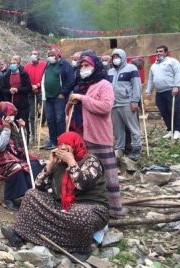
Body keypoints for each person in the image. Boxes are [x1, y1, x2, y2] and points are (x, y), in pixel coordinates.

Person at [0, 131, 108, 258]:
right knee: (31, 195)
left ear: (76, 145)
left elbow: (82, 185)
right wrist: (50, 165)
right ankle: (20, 235)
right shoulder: (58, 165)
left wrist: (71, 162)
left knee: (80, 214)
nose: (62, 148)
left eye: (67, 144)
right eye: (60, 144)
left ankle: (81, 249)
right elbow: (39, 186)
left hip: (91, 208)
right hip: (63, 207)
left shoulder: (90, 160)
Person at [68, 53, 126, 217]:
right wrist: (71, 103)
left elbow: (105, 107)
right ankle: (91, 208)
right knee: (86, 174)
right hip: (80, 136)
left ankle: (114, 209)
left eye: (87, 65)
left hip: (98, 135)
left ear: (96, 67)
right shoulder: (79, 85)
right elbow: (71, 109)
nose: (83, 69)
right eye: (81, 66)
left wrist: (83, 98)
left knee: (107, 173)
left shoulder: (104, 85)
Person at [0, 101, 43, 211]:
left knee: (36, 163)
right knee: (16, 168)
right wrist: (6, 129)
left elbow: (21, 144)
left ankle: (30, 192)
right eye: (10, 114)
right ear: (2, 113)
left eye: (13, 114)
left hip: (14, 154)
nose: (12, 117)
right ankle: (10, 198)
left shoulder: (12, 124)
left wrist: (23, 129)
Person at [108, 49, 142, 160]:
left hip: (127, 103)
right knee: (117, 129)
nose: (115, 59)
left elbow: (137, 85)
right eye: (113, 57)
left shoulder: (131, 68)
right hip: (114, 104)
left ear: (123, 57)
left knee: (133, 127)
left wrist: (135, 101)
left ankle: (136, 148)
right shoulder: (110, 71)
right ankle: (119, 149)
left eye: (117, 57)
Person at [146, 45, 180, 140]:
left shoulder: (172, 61)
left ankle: (177, 130)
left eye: (161, 51)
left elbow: (178, 73)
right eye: (157, 51)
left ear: (166, 52)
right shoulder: (154, 65)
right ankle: (170, 130)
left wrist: (176, 86)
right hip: (159, 92)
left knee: (174, 110)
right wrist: (148, 91)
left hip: (171, 91)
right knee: (164, 111)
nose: (158, 53)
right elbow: (150, 79)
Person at [41, 47, 74, 149]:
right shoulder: (47, 65)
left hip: (59, 97)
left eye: (52, 55)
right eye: (49, 55)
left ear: (58, 55)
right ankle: (52, 140)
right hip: (48, 97)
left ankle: (61, 140)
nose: (50, 57)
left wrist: (63, 93)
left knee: (59, 119)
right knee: (50, 119)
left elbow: (70, 80)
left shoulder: (64, 65)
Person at [2, 55, 33, 143]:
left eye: (14, 63)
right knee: (12, 123)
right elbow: (3, 89)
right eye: (11, 63)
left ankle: (25, 142)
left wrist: (18, 89)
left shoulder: (24, 74)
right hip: (11, 104)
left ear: (18, 64)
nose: (12, 65)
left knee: (23, 122)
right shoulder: (6, 75)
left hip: (22, 104)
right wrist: (9, 90)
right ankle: (14, 142)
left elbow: (28, 88)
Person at [24, 50, 47, 141]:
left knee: (45, 110)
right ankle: (34, 135)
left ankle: (43, 123)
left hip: (41, 92)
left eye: (35, 54)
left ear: (39, 56)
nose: (33, 55)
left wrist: (38, 85)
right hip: (31, 93)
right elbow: (25, 79)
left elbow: (45, 77)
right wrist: (31, 86)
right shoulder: (27, 66)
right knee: (32, 115)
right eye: (32, 54)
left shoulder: (44, 65)